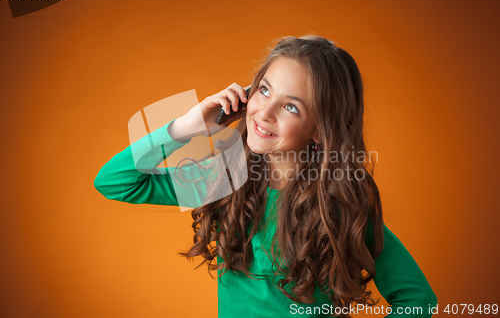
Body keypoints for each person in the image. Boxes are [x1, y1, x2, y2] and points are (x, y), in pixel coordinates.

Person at [94, 35, 438, 317]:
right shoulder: (222, 181)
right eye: (264, 90)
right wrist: (185, 127)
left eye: (291, 106)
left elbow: (418, 300)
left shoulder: (340, 207)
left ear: (320, 130)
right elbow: (115, 181)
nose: (265, 112)